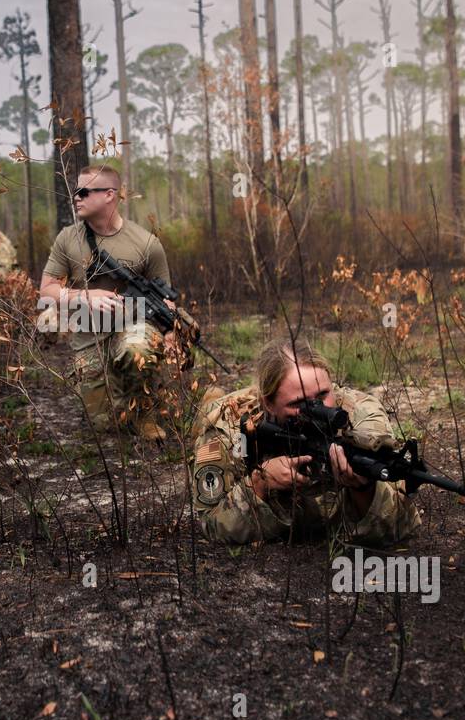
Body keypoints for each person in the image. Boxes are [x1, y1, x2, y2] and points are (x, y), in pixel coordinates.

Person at [190, 339, 420, 546]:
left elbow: (403, 526)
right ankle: (211, 396)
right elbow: (212, 526)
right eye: (298, 402)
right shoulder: (227, 426)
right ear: (268, 403)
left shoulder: (360, 415)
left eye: (322, 395)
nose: (317, 410)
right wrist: (259, 483)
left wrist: (363, 488)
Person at [38, 163, 172, 441]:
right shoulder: (68, 238)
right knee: (105, 426)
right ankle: (123, 397)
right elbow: (47, 291)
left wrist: (170, 338)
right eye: (76, 192)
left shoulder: (146, 243)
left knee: (137, 348)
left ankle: (145, 412)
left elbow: (166, 301)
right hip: (89, 339)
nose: (77, 197)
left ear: (109, 195)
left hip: (133, 328)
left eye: (84, 192)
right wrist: (85, 296)